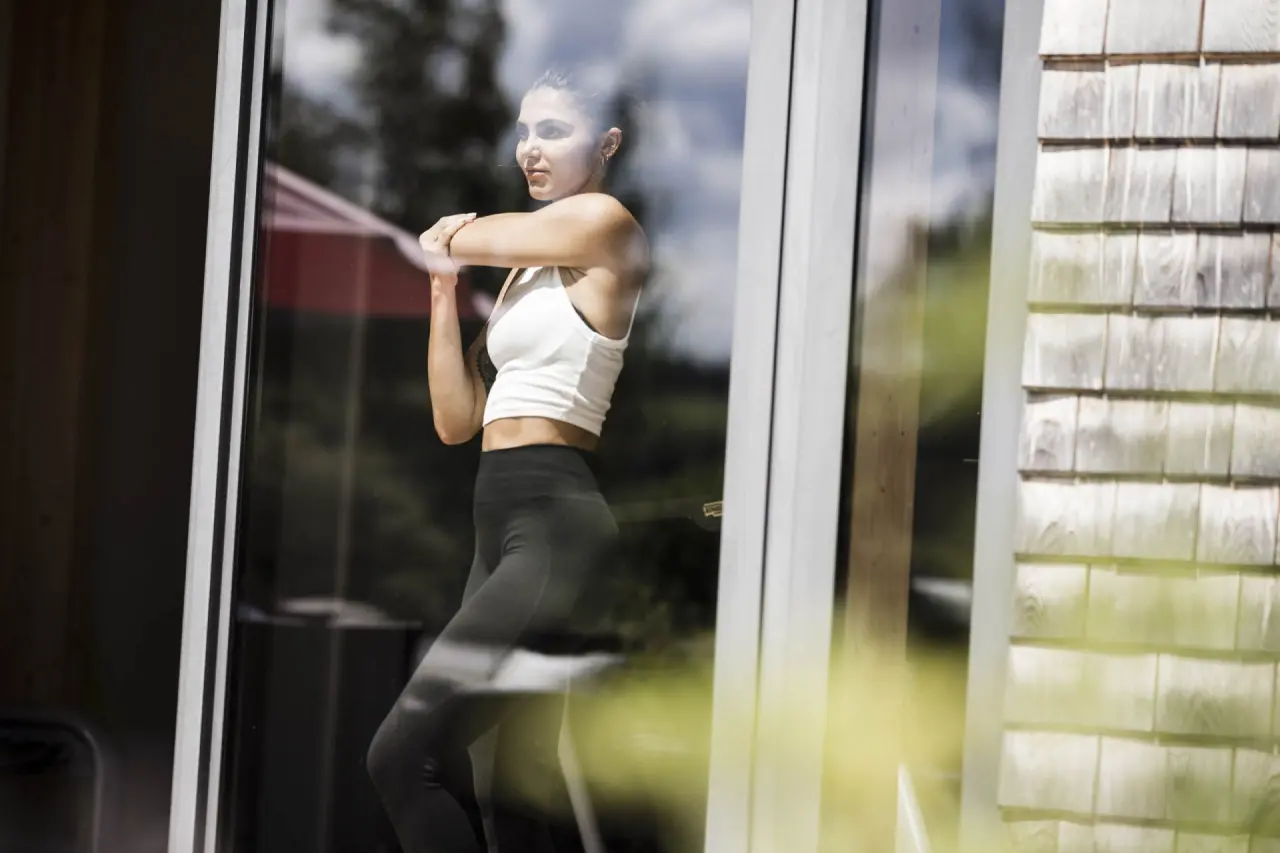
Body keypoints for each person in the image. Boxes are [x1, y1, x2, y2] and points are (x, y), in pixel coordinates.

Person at [366, 68, 649, 853]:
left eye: (552, 130)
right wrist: (440, 288)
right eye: (523, 131)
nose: (529, 148)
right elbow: (456, 420)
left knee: (402, 755)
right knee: (509, 788)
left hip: (555, 522)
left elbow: (465, 235)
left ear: (607, 144)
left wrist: (444, 239)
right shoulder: (527, 270)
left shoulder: (605, 225)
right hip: (498, 520)